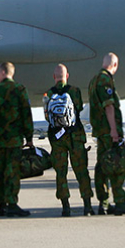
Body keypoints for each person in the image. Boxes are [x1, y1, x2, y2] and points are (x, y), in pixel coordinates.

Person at [88, 53, 125, 216]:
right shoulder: (105, 80)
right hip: (109, 131)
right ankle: (120, 202)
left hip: (100, 131)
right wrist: (114, 130)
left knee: (102, 166)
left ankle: (103, 203)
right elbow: (109, 106)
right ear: (114, 65)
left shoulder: (93, 81)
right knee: (117, 165)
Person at [43, 64, 94, 217]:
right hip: (75, 137)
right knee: (81, 172)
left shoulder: (49, 94)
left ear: (54, 77)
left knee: (61, 173)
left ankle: (65, 207)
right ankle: (87, 206)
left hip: (57, 139)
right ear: (67, 75)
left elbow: (47, 116)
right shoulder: (75, 91)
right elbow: (77, 109)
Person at [0, 62, 34, 217]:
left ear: (3, 72)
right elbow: (26, 114)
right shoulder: (20, 90)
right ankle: (12, 203)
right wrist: (29, 137)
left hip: (0, 139)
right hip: (15, 139)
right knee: (13, 172)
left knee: (1, 171)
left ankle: (2, 204)